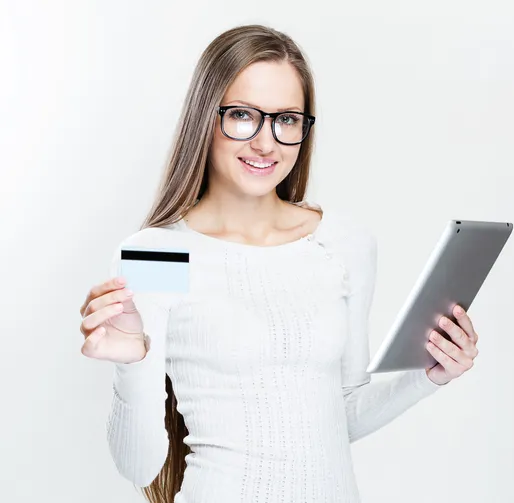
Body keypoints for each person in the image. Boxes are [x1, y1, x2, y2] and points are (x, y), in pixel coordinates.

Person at [79, 24, 480, 503]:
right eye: (244, 115)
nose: (267, 143)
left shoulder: (343, 242)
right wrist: (133, 359)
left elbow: (341, 416)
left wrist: (429, 375)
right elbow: (139, 465)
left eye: (287, 119)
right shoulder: (157, 253)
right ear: (206, 118)